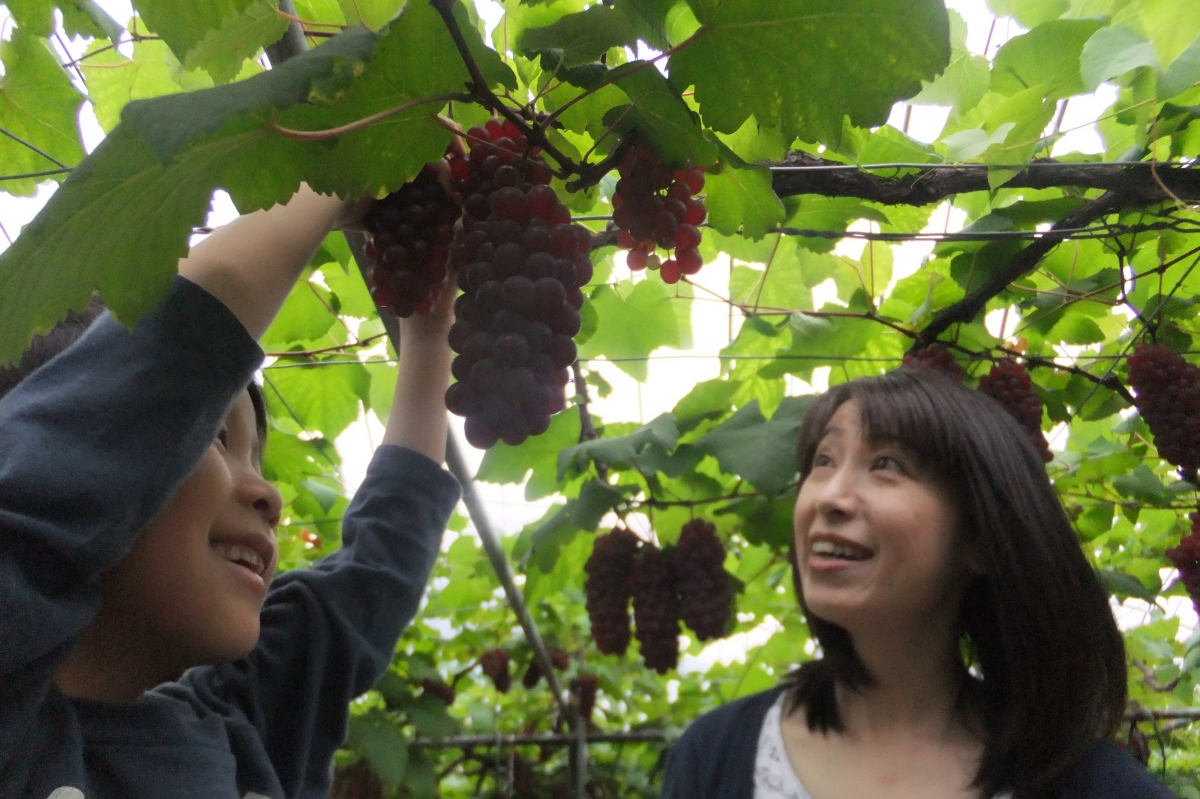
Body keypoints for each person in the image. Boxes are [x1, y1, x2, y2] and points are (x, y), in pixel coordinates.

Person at [0, 185, 461, 798]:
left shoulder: (248, 727)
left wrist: (430, 333)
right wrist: (335, 177)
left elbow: (380, 569)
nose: (268, 494)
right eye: (215, 436)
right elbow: (157, 368)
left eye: (256, 457)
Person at [660, 369, 1177, 799]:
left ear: (979, 537)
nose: (829, 497)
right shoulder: (714, 756)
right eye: (823, 461)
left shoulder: (1092, 785)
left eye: (886, 465)